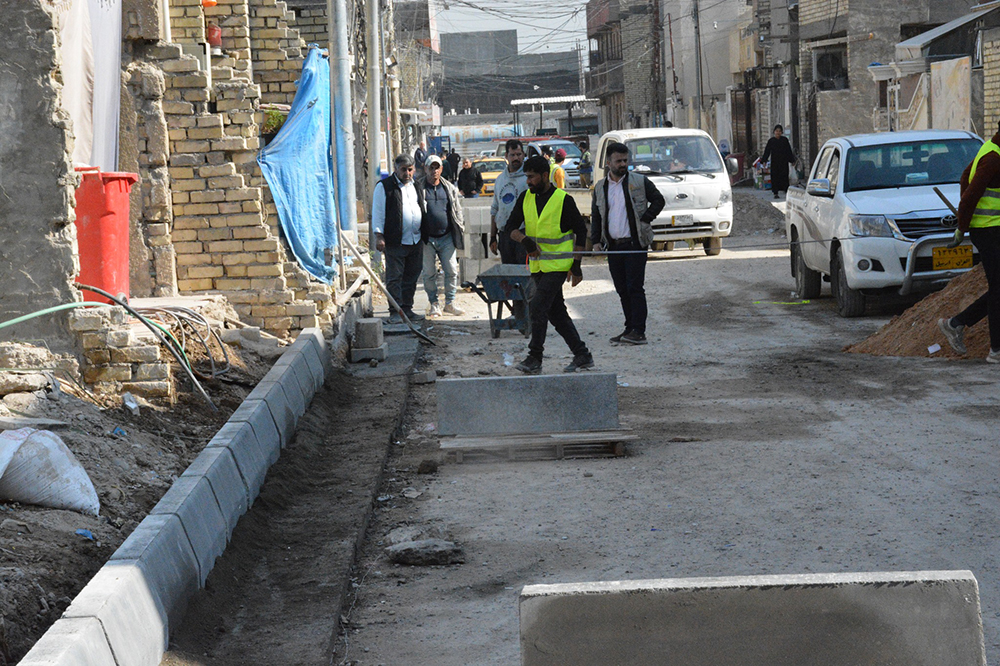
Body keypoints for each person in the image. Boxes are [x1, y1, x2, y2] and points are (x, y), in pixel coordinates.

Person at [504, 155, 593, 374]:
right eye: (526, 176)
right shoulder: (525, 198)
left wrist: (577, 265)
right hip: (538, 267)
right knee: (557, 314)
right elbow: (510, 228)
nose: (528, 181)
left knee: (537, 306)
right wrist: (525, 240)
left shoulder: (563, 200)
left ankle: (535, 357)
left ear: (545, 176)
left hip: (559, 267)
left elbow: (581, 231)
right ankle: (582, 354)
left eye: (532, 177)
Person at [590, 142, 666, 345]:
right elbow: (596, 217)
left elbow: (658, 200)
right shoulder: (600, 188)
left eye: (625, 160)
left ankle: (639, 331)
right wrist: (595, 241)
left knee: (635, 288)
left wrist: (646, 219)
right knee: (622, 289)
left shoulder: (639, 182)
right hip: (614, 246)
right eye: (618, 161)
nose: (623, 164)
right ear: (608, 163)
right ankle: (629, 328)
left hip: (635, 245)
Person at [937, 121, 1000, 363]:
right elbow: (970, 195)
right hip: (987, 232)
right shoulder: (993, 158)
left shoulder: (989, 148)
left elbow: (965, 175)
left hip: (993, 230)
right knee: (998, 289)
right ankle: (995, 350)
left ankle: (956, 323)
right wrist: (962, 228)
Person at [372, 154, 425, 324]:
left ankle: (407, 309)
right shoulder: (384, 187)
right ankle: (395, 311)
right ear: (396, 169)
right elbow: (378, 212)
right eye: (403, 170)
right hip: (395, 240)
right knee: (395, 277)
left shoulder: (416, 185)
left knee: (412, 275)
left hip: (415, 239)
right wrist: (379, 235)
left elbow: (421, 207)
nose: (407, 173)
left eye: (410, 170)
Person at [419, 155, 466, 317]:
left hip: (446, 237)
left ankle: (450, 303)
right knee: (429, 273)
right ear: (425, 169)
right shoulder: (418, 188)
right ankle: (433, 303)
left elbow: (457, 210)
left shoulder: (449, 188)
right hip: (427, 239)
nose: (434, 171)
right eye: (431, 167)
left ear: (441, 169)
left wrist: (460, 227)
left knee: (452, 270)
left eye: (436, 167)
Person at [490, 139, 529, 265]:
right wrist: (492, 238)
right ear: (506, 156)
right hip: (504, 235)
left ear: (523, 155)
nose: (516, 158)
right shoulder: (500, 180)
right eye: (512, 155)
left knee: (524, 273)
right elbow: (495, 209)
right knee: (508, 275)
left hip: (523, 234)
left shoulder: (528, 179)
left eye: (519, 154)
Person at [760, 124, 797, 199]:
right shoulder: (771, 141)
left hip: (783, 162)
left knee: (784, 176)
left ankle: (786, 191)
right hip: (775, 162)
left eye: (780, 131)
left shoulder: (784, 140)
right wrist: (764, 160)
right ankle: (775, 193)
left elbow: (788, 151)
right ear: (774, 132)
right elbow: (767, 151)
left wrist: (792, 160)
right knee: (775, 177)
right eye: (777, 131)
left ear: (782, 132)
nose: (778, 133)